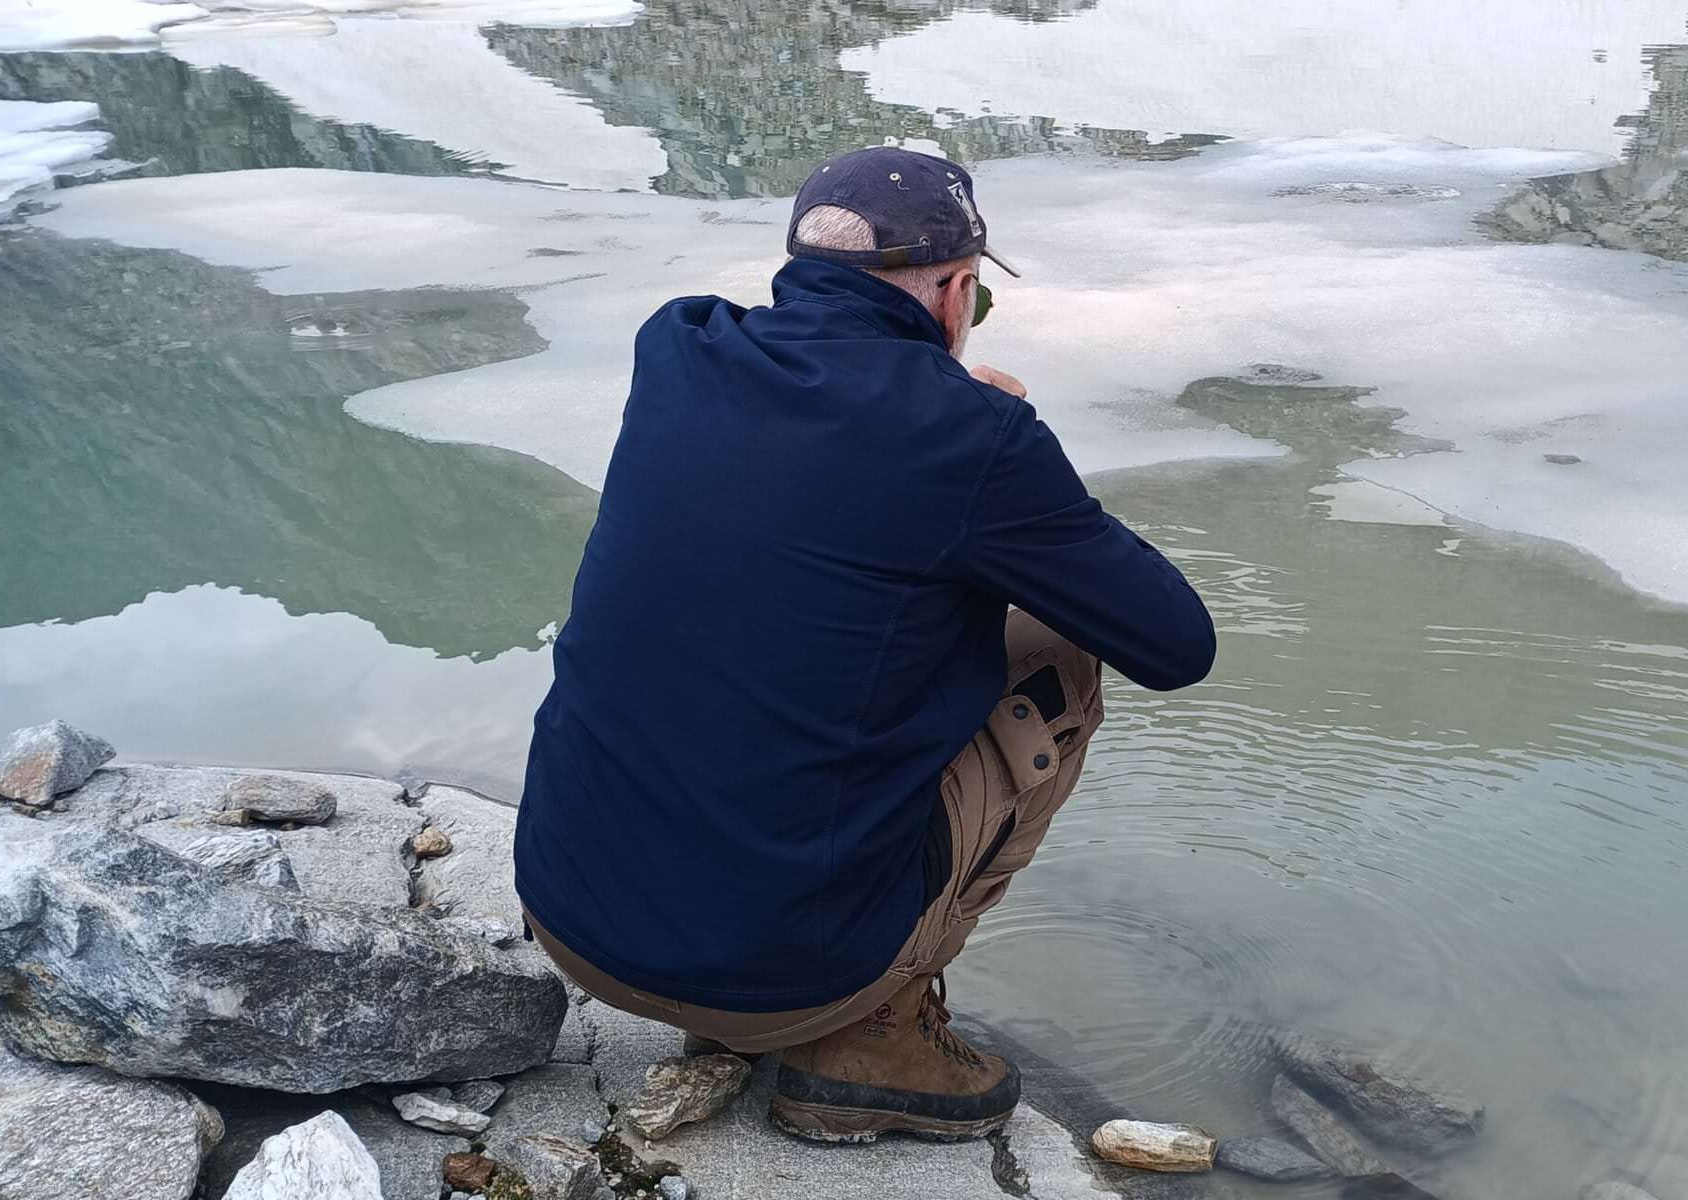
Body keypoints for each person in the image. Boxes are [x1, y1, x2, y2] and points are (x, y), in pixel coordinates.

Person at [513, 146, 1216, 1144]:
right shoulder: (974, 439)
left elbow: (819, 467)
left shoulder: (677, 347)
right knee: (1062, 652)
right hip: (777, 978)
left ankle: (756, 984)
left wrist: (951, 421)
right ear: (958, 292)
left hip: (572, 919)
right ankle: (873, 1033)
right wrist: (999, 440)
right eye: (977, 300)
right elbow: (1177, 643)